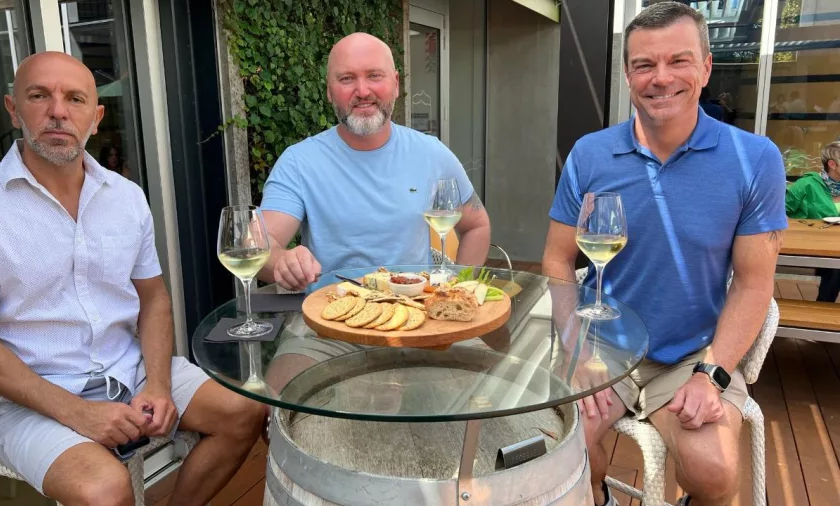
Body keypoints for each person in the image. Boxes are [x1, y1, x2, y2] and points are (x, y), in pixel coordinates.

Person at [0, 52, 266, 506]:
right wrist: (79, 413)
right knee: (105, 489)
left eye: (74, 99)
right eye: (39, 96)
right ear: (14, 109)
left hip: (127, 368)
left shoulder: (126, 198)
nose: (58, 111)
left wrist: (156, 383)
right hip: (25, 396)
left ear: (95, 118)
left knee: (245, 412)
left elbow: (153, 300)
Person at [541, 3, 786, 506]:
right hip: (604, 348)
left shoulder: (754, 159)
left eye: (679, 61)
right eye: (644, 65)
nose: (661, 78)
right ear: (628, 74)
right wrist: (578, 350)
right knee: (562, 457)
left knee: (714, 473)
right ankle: (599, 497)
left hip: (695, 352)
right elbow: (557, 260)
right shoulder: (590, 154)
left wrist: (712, 373)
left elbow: (754, 282)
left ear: (706, 67)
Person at [258, 32, 491, 291]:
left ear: (396, 83)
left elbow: (476, 226)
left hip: (415, 320)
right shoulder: (299, 162)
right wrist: (282, 260)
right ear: (329, 92)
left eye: (374, 75)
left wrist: (457, 291)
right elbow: (261, 244)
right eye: (347, 78)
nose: (362, 90)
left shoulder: (432, 154)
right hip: (332, 320)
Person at [785, 141, 840, 302]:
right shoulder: (807, 185)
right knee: (837, 270)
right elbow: (778, 209)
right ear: (832, 164)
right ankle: (824, 305)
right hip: (815, 244)